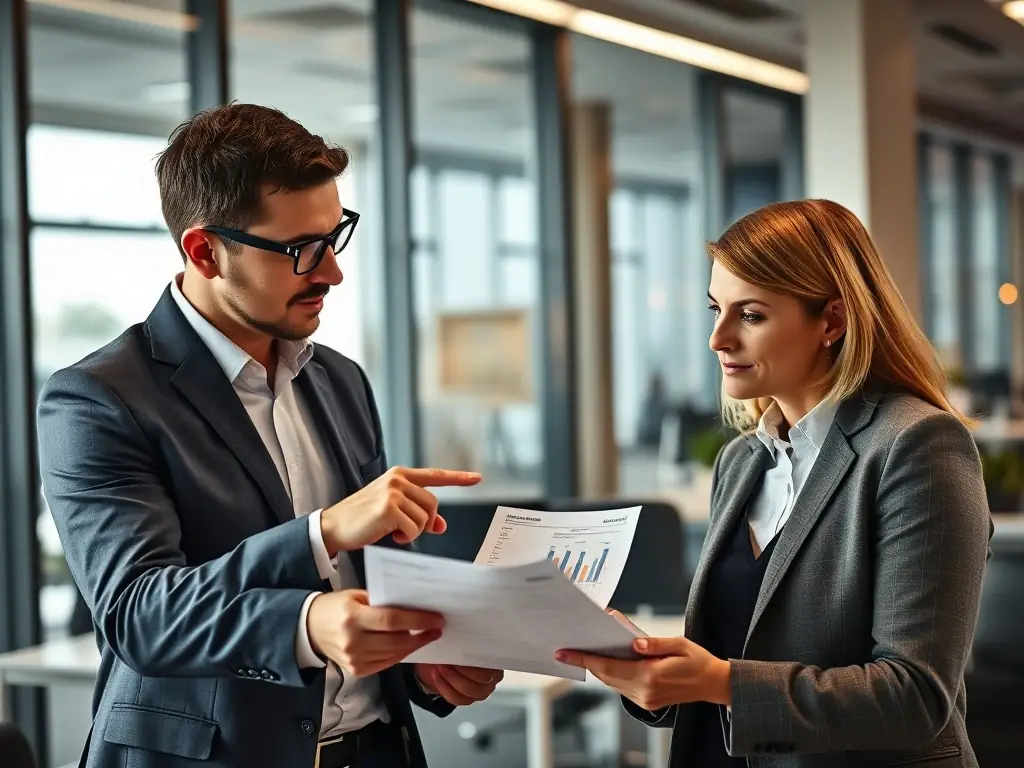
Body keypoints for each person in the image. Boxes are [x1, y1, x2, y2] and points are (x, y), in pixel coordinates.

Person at [36, 103, 504, 768]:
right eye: (299, 251)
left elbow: (366, 582)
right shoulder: (99, 398)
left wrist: (422, 656)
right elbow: (140, 614)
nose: (332, 272)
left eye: (334, 236)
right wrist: (318, 555)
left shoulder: (340, 380)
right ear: (204, 250)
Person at [556, 199, 992, 767]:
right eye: (715, 308)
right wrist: (653, 671)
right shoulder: (741, 462)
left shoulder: (916, 446)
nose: (718, 338)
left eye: (752, 315)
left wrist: (720, 682)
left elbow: (914, 695)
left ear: (831, 321)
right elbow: (736, 656)